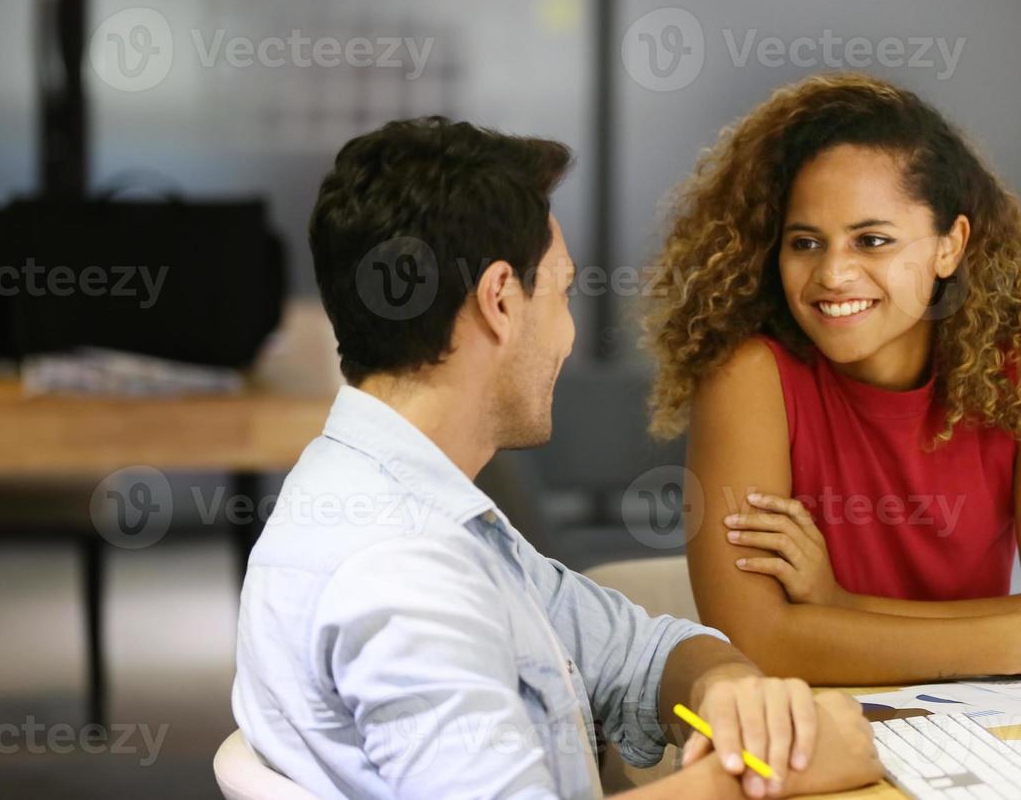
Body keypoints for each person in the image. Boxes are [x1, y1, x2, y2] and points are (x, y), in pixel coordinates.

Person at [232, 117, 881, 800]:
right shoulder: (401, 571)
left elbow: (639, 648)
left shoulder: (415, 504)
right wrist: (764, 777)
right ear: (501, 301)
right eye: (564, 293)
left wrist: (735, 692)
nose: (568, 337)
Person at [643, 74, 1021, 687]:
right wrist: (1017, 636)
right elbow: (758, 643)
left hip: (988, 723)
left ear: (949, 247)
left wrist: (840, 606)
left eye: (872, 240)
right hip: (816, 725)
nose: (833, 273)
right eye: (805, 243)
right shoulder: (750, 378)